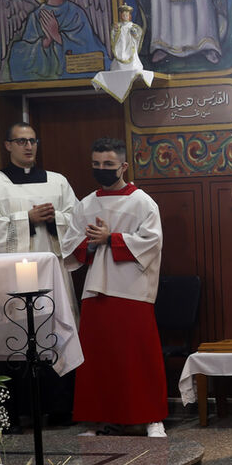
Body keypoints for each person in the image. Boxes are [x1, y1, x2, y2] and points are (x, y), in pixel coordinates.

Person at [0, 122, 79, 429]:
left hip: (51, 275)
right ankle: (12, 413)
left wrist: (55, 219)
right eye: (21, 141)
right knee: (12, 336)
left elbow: (76, 219)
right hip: (9, 278)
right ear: (8, 146)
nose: (28, 146)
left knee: (53, 335)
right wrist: (25, 219)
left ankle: (59, 409)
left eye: (32, 141)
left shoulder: (58, 182)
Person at [62, 137, 167, 437]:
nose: (102, 169)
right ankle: (97, 419)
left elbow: (152, 242)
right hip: (96, 290)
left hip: (132, 288)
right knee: (99, 358)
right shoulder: (86, 204)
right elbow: (71, 246)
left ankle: (152, 418)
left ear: (123, 166)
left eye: (108, 164)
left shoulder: (142, 202)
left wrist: (111, 238)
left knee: (138, 356)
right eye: (96, 164)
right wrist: (92, 243)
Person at [8, 0, 109, 81]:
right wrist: (45, 43)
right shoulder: (35, 17)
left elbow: (93, 51)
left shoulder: (76, 13)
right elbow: (19, 58)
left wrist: (57, 36)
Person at [111, 5, 143, 71]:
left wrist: (134, 33)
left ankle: (133, 65)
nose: (125, 17)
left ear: (129, 16)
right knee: (121, 50)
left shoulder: (132, 26)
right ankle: (119, 65)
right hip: (121, 43)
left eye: (126, 15)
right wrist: (116, 30)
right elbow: (113, 34)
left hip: (130, 43)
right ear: (121, 16)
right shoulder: (119, 26)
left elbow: (137, 35)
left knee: (131, 52)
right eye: (123, 15)